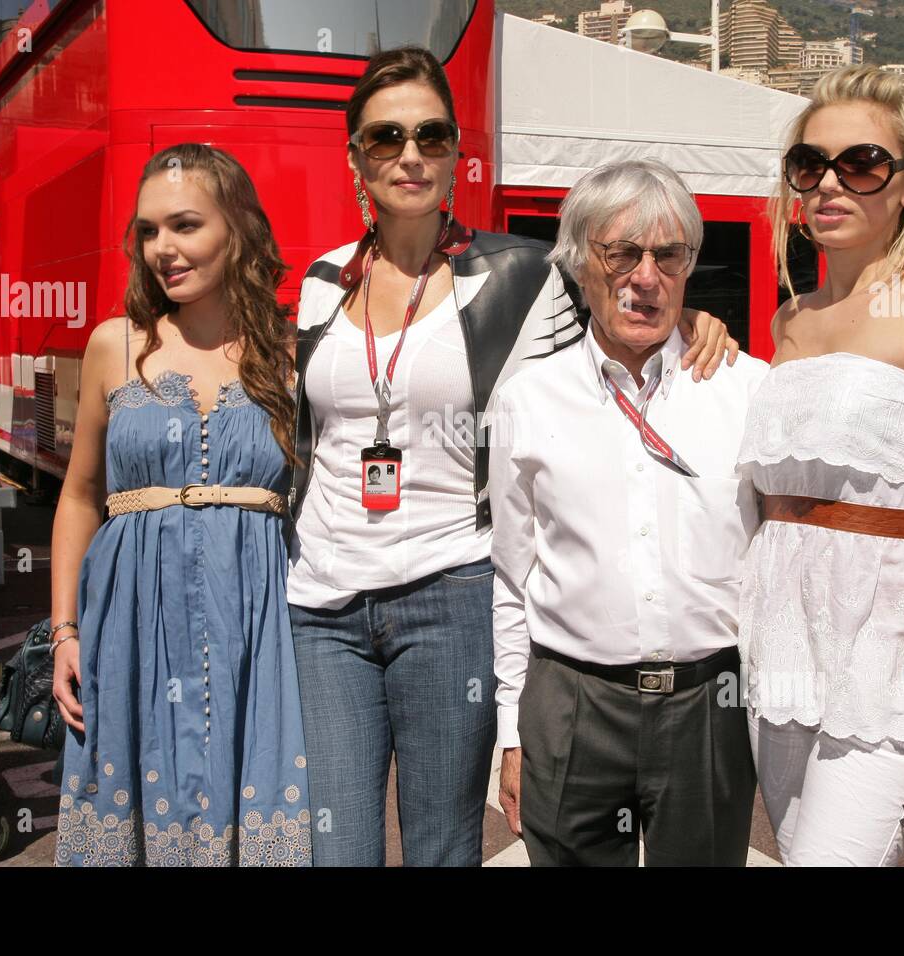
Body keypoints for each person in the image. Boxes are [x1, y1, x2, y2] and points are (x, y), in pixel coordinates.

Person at [287, 46, 737, 867]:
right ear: (356, 155)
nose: (411, 155)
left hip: (448, 587)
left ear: (458, 151)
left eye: (431, 134)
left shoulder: (520, 277)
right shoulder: (321, 284)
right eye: (386, 138)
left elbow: (625, 311)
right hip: (324, 603)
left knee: (442, 847)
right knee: (336, 848)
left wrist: (701, 326)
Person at [487, 158, 904, 867]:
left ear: (688, 267)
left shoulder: (747, 388)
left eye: (668, 255)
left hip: (711, 706)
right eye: (622, 252)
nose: (645, 276)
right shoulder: (528, 399)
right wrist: (510, 728)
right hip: (572, 704)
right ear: (582, 262)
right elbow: (511, 578)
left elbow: (826, 525)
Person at [739, 64, 904, 865]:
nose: (830, 183)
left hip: (890, 650)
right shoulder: (789, 321)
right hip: (779, 643)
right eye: (809, 165)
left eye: (861, 164)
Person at [50, 144, 311, 866]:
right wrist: (64, 631)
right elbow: (78, 496)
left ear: (239, 229)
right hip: (129, 622)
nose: (163, 248)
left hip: (257, 626)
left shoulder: (290, 354)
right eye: (147, 230)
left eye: (185, 225)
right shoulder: (115, 345)